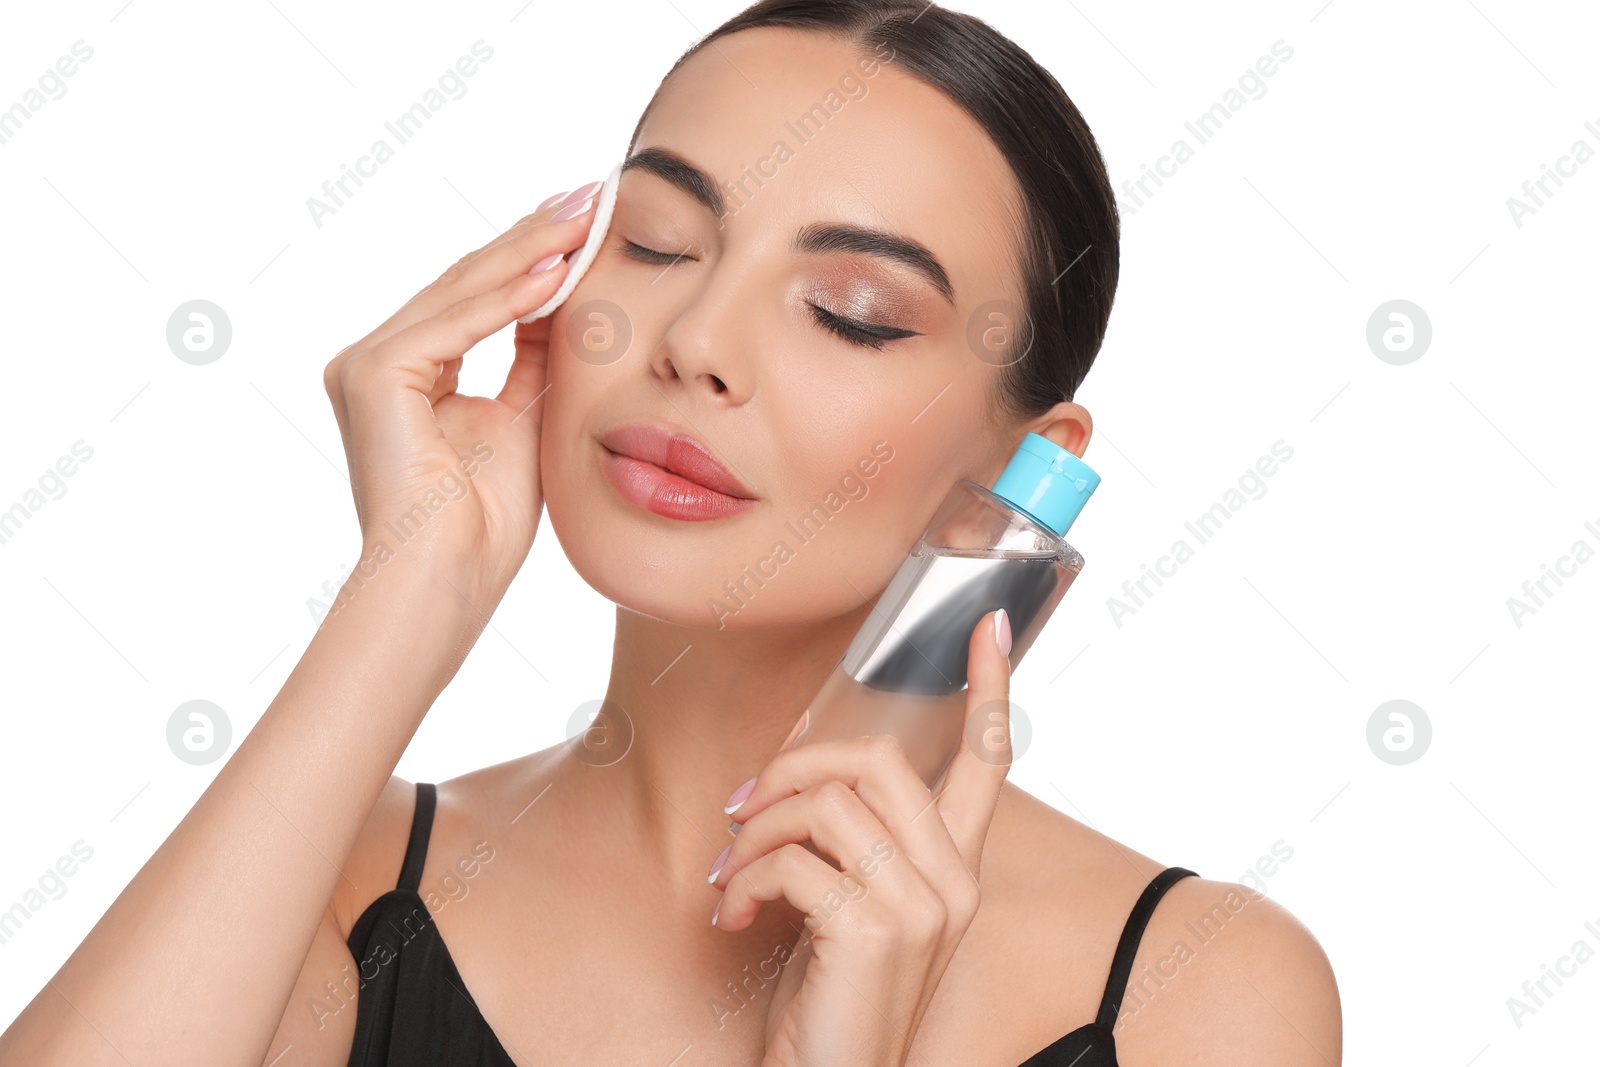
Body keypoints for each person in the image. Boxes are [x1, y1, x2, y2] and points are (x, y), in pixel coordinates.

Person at [0, 1, 1341, 1063]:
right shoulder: (336, 885)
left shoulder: (1195, 990)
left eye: (852, 313)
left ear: (1019, 471)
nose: (696, 342)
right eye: (654, 241)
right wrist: (404, 591)